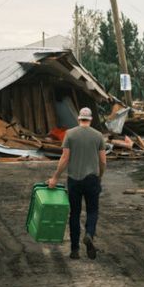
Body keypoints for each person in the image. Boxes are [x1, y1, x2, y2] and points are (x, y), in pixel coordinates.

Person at [47, 107, 106, 259]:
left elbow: (65, 158)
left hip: (74, 180)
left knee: (74, 213)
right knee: (92, 211)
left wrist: (55, 177)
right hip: (92, 179)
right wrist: (100, 176)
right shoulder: (98, 136)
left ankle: (74, 250)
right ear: (91, 119)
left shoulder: (70, 134)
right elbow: (103, 161)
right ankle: (89, 234)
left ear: (79, 119)